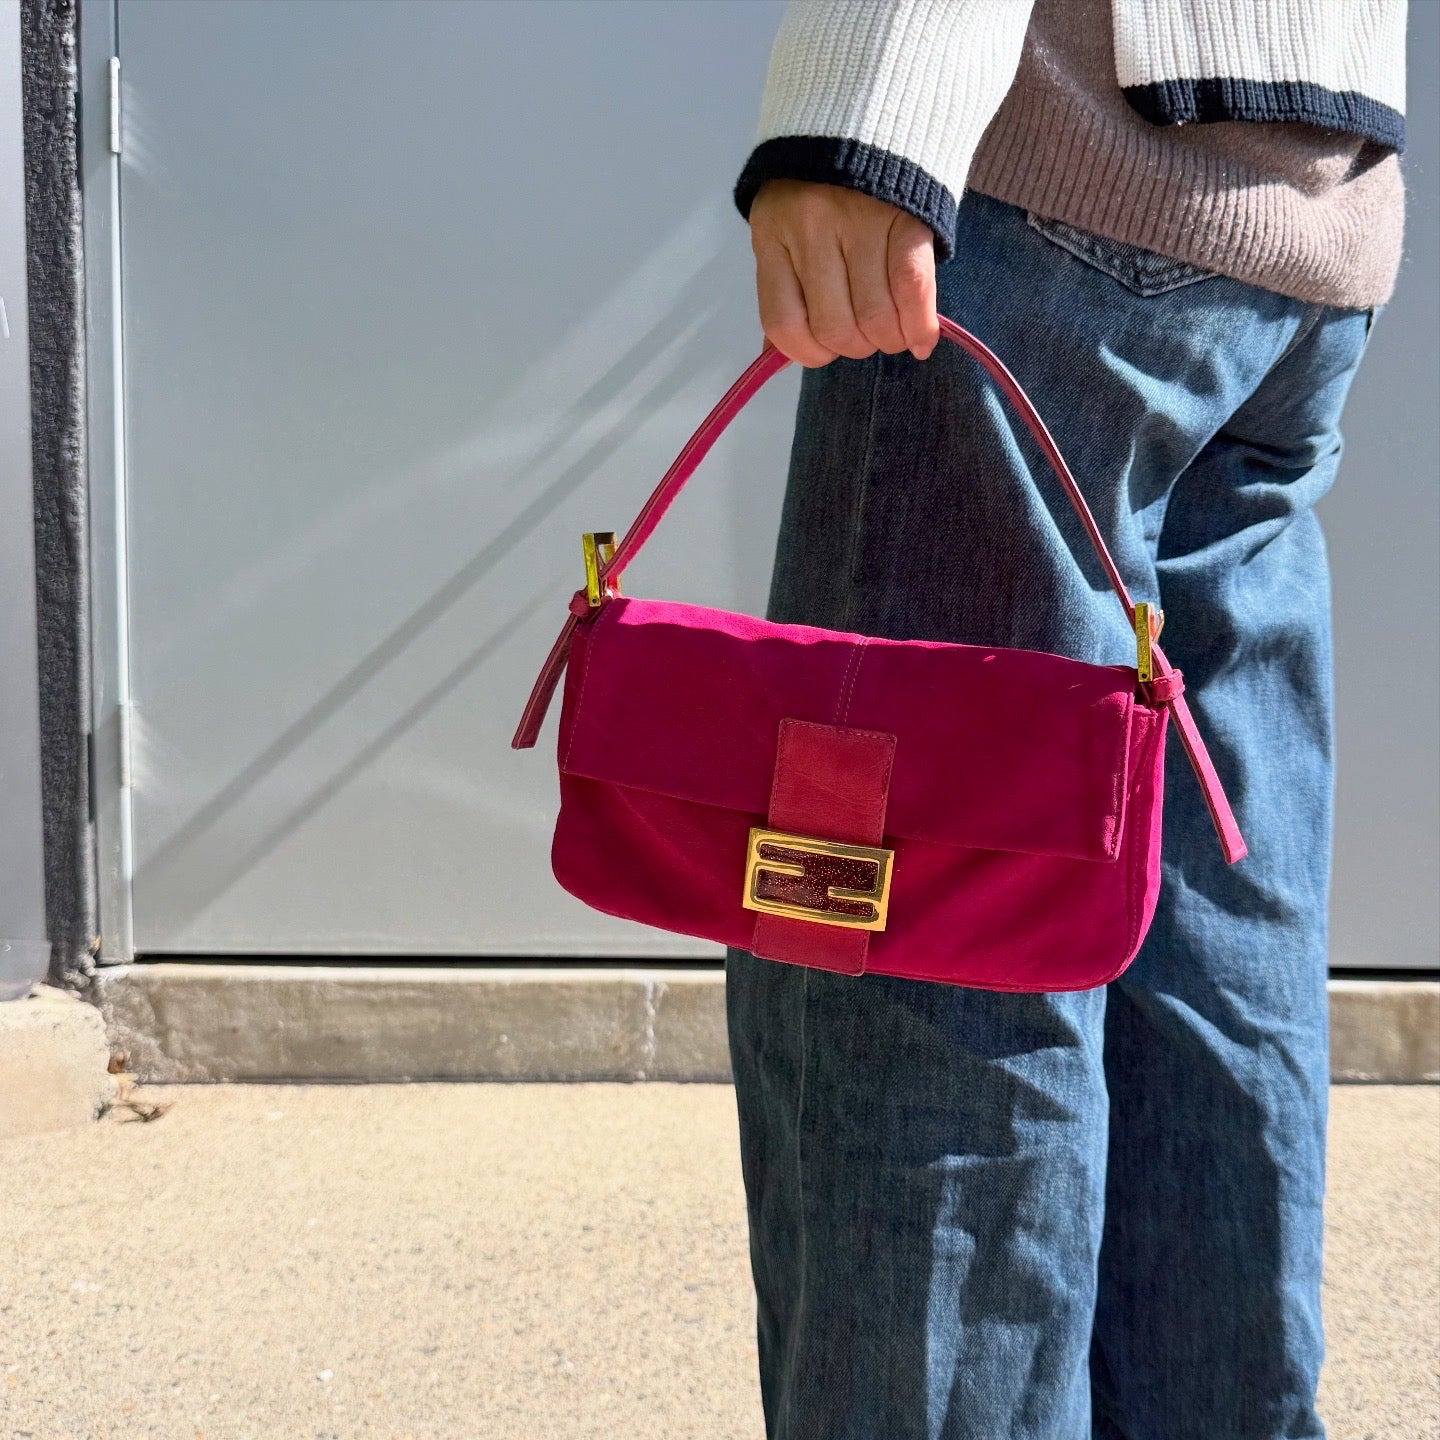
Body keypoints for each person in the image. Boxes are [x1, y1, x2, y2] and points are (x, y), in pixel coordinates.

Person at [723, 3, 1408, 1438]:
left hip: (1051, 173)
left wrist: (865, 112)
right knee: (1210, 940)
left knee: (917, 959)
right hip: (1304, 201)